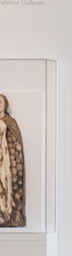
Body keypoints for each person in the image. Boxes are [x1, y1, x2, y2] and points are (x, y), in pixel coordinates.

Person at [0, 94, 26, 228]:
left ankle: (7, 214)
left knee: (6, 184)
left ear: (5, 105)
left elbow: (15, 142)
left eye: (0, 103)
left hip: (5, 161)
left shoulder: (11, 122)